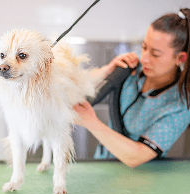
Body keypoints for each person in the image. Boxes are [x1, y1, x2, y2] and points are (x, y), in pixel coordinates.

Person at [73, 8, 190, 168]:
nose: (145, 58)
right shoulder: (132, 69)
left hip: (141, 177)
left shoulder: (180, 106)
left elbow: (138, 156)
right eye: (144, 47)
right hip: (103, 163)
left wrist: (91, 122)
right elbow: (80, 87)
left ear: (180, 58)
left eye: (155, 54)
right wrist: (107, 71)